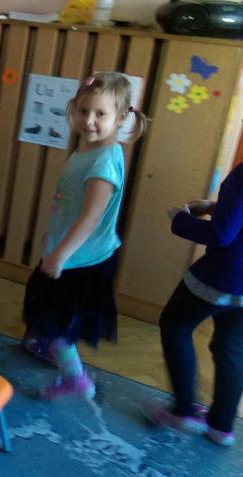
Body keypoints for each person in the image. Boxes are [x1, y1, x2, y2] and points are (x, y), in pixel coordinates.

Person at [22, 72, 149, 401]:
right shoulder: (89, 151)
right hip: (71, 252)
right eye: (83, 111)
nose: (89, 120)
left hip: (81, 260)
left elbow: (91, 217)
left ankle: (74, 378)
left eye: (100, 114)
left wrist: (60, 254)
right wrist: (54, 238)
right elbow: (70, 205)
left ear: (120, 119)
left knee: (54, 319)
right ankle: (52, 345)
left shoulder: (103, 162)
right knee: (47, 310)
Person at [146, 163, 243, 447]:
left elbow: (221, 235)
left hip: (224, 276)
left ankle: (185, 411)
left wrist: (180, 218)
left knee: (175, 326)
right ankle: (221, 426)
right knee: (231, 349)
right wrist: (214, 207)